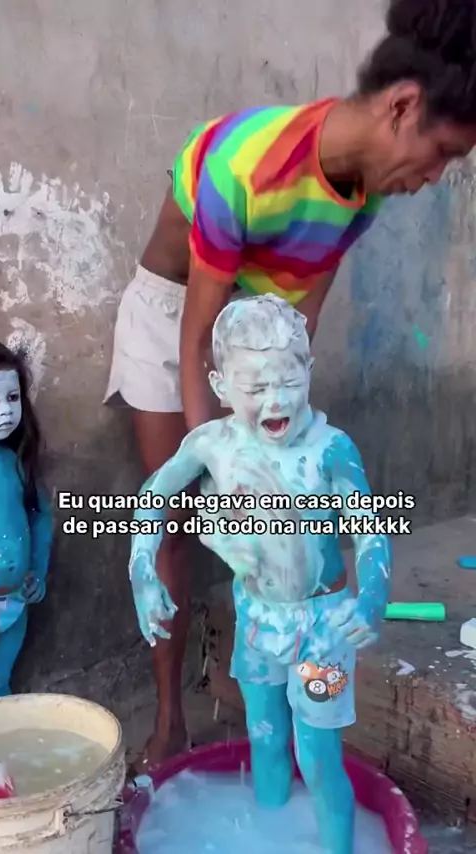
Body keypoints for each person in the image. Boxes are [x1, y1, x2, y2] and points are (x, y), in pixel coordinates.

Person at [104, 0, 476, 769]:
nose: (434, 178)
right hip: (176, 319)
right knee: (178, 516)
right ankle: (170, 721)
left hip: (260, 340)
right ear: (403, 106)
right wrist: (227, 470)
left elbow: (296, 331)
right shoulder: (247, 163)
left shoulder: (362, 196)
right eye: (442, 153)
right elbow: (195, 340)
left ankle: (289, 712)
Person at [127, 294, 392, 854]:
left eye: (289, 382)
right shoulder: (212, 445)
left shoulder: (331, 450)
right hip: (256, 622)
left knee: (318, 757)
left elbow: (371, 531)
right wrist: (143, 574)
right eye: (254, 388)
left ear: (309, 371)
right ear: (221, 387)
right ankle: (271, 834)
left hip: (324, 632)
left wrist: (372, 598)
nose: (276, 400)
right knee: (265, 737)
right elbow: (153, 497)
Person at [0, 342, 53, 697]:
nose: (5, 410)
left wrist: (37, 572)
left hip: (14, 603)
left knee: (0, 683)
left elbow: (40, 520)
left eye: (12, 397)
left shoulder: (16, 465)